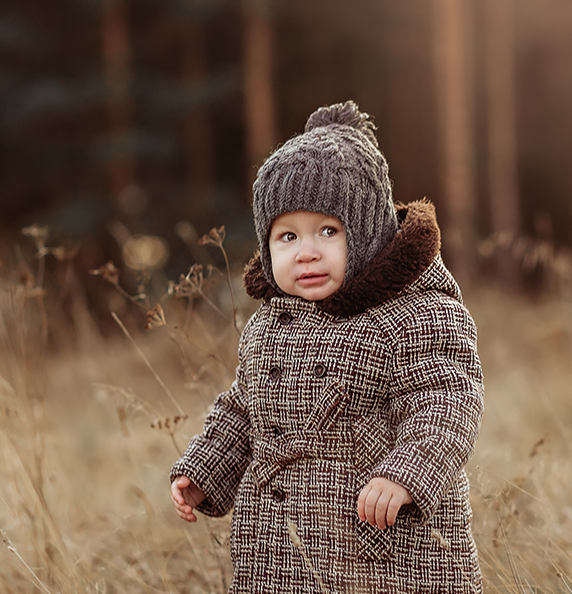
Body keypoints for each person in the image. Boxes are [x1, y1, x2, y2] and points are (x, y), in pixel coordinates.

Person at [170, 100, 484, 593]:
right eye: (287, 236)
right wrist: (207, 467)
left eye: (328, 231)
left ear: (367, 231)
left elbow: (446, 402)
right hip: (279, 547)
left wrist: (405, 476)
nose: (306, 251)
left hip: (382, 546)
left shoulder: (415, 313)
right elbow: (244, 408)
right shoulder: (271, 323)